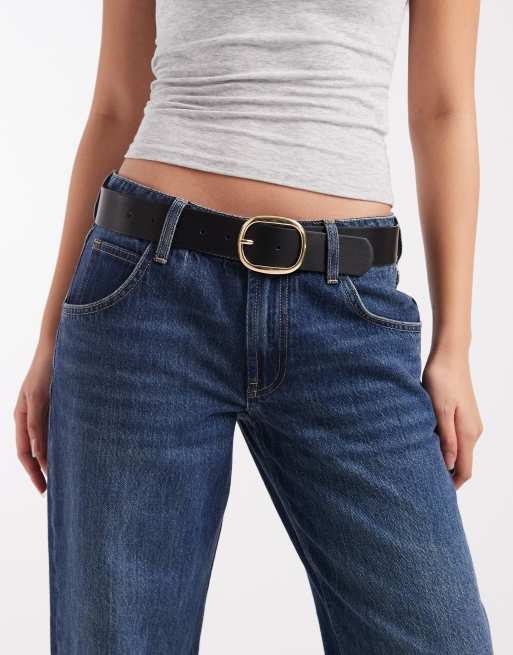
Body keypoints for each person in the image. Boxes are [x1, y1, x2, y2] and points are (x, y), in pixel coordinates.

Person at [14, 0, 493, 653]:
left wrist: (454, 344)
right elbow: (116, 106)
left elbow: (443, 108)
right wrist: (49, 336)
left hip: (348, 308)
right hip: (146, 294)